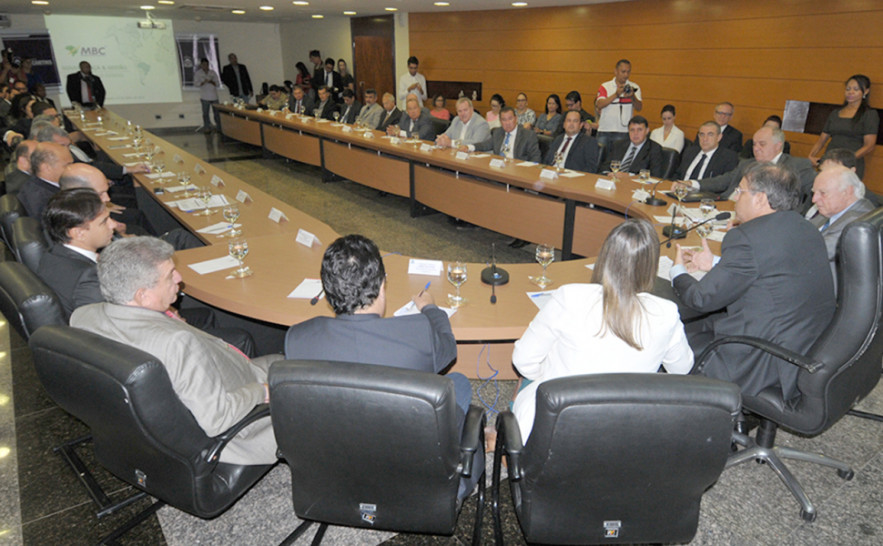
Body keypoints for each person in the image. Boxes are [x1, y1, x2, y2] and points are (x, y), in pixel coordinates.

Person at [71, 237, 280, 466]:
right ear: (142, 295)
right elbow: (216, 419)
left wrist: (166, 315)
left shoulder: (83, 316)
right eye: (171, 275)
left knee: (280, 361)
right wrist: (260, 392)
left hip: (197, 392)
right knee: (311, 383)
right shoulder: (176, 343)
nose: (179, 278)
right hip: (240, 425)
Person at [512, 219, 692, 441]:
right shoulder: (666, 313)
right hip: (626, 431)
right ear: (651, 266)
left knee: (526, 380)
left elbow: (523, 360)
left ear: (605, 257)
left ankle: (509, 444)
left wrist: (547, 374)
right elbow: (682, 369)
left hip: (556, 426)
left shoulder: (570, 297)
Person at [672, 164, 835, 401]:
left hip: (762, 359)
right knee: (696, 326)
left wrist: (677, 272)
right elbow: (771, 270)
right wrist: (717, 264)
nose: (736, 199)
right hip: (803, 349)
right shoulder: (806, 228)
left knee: (671, 339)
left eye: (740, 191)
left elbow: (700, 298)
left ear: (760, 199)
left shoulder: (746, 237)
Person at [684, 127, 816, 208]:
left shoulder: (798, 166)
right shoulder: (747, 163)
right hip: (726, 208)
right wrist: (692, 183)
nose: (756, 149)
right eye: (754, 144)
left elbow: (814, 195)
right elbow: (724, 180)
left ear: (778, 146)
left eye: (762, 144)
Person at [37, 188, 118, 318]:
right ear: (79, 233)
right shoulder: (89, 280)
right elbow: (109, 325)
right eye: (104, 222)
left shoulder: (52, 254)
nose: (113, 225)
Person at [808, 165, 876, 282]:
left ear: (847, 192)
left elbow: (812, 251)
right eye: (814, 192)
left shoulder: (858, 221)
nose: (814, 199)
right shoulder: (831, 212)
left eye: (822, 193)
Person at [808, 74, 879, 179]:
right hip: (829, 161)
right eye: (848, 89)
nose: (851, 92)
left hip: (849, 165)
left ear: (866, 91)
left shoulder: (869, 114)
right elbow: (822, 139)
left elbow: (869, 146)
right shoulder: (835, 113)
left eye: (856, 89)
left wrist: (847, 160)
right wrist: (810, 156)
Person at [595, 59, 643, 149]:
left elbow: (639, 107)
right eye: (623, 72)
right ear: (616, 71)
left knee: (619, 160)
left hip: (624, 131)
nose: (626, 75)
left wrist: (632, 97)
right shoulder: (605, 86)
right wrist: (616, 94)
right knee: (600, 159)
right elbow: (599, 104)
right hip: (605, 130)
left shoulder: (634, 87)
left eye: (628, 72)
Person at [18, 141, 73, 218]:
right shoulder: (50, 202)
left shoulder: (33, 184)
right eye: (67, 165)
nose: (72, 169)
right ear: (47, 168)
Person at [600, 115, 665, 177]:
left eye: (639, 130)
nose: (635, 133)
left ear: (647, 131)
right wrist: (608, 174)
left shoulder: (654, 149)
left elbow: (655, 176)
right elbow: (605, 167)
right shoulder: (618, 145)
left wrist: (629, 176)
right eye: (632, 130)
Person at [474, 106, 541, 162]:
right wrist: (469, 147)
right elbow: (485, 145)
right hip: (499, 168)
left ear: (516, 119)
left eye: (510, 119)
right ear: (500, 121)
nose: (507, 123)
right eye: (504, 120)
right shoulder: (498, 132)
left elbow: (535, 158)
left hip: (517, 170)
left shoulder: (528, 135)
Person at [193, 58, 221, 133]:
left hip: (214, 96)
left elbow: (218, 84)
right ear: (201, 65)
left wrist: (211, 81)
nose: (205, 66)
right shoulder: (198, 73)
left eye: (207, 64)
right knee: (205, 114)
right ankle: (207, 128)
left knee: (217, 113)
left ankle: (219, 127)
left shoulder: (212, 72)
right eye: (204, 64)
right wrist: (203, 82)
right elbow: (196, 84)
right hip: (204, 96)